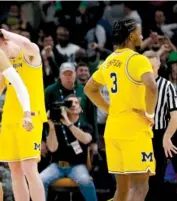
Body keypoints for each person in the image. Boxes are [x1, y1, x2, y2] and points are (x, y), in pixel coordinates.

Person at [84, 19, 158, 201]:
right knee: (140, 187)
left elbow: (89, 89)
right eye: (140, 33)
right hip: (134, 130)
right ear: (132, 35)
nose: (142, 36)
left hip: (113, 131)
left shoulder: (110, 61)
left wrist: (109, 109)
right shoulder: (138, 59)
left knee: (122, 192)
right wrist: (149, 114)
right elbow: (152, 87)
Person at [0, 29, 47, 201]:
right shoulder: (5, 62)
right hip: (9, 118)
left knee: (29, 168)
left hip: (31, 116)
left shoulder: (29, 54)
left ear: (4, 41)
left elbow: (31, 44)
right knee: (15, 170)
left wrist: (4, 31)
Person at [40, 94, 97, 201]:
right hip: (57, 165)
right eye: (70, 103)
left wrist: (69, 124)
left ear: (80, 108)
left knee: (86, 181)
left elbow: (86, 139)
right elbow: (52, 148)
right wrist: (51, 128)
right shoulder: (57, 125)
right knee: (40, 180)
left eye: (76, 103)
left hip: (77, 165)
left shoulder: (85, 125)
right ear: (64, 107)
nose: (73, 105)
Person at [142, 51, 177, 201]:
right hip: (140, 135)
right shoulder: (136, 86)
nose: (148, 68)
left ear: (159, 65)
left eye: (151, 65)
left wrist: (167, 137)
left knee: (157, 177)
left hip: (160, 134)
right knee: (141, 178)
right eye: (145, 65)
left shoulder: (167, 86)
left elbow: (175, 116)